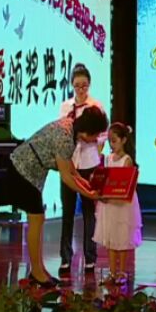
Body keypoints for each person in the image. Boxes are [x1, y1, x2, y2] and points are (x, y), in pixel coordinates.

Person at [9, 106, 109, 286]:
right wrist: (89, 194)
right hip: (23, 170)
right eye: (96, 135)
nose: (96, 139)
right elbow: (66, 177)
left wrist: (85, 182)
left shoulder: (70, 128)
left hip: (31, 173)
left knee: (38, 219)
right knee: (36, 219)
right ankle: (37, 272)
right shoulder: (65, 137)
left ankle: (39, 270)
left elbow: (70, 167)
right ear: (88, 131)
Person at [57, 63, 107, 276]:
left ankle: (90, 258)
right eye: (77, 85)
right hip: (69, 161)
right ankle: (65, 258)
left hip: (89, 161)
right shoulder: (65, 106)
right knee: (67, 211)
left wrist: (91, 139)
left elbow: (103, 134)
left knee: (88, 211)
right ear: (72, 85)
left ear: (89, 85)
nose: (81, 89)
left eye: (84, 85)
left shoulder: (96, 105)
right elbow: (61, 131)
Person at [93, 122, 143, 285]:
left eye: (114, 141)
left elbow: (126, 183)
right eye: (109, 141)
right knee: (110, 237)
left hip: (122, 204)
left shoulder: (126, 160)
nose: (111, 144)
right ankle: (112, 272)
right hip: (109, 204)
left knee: (122, 236)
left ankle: (121, 272)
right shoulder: (107, 159)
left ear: (123, 140)